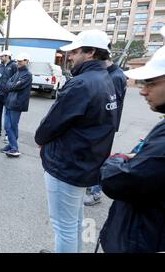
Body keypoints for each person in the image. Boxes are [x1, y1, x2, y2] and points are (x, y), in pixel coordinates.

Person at [34, 29, 118, 253]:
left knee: (64, 226)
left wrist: (40, 139)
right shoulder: (104, 79)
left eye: (75, 51)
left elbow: (53, 122)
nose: (70, 56)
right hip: (84, 163)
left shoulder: (82, 83)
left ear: (90, 52)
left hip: (68, 165)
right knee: (74, 222)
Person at [99, 45, 165, 253]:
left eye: (151, 83)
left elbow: (118, 180)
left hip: (140, 240)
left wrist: (116, 159)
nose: (143, 90)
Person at [84, 56, 127, 206]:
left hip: (105, 125)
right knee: (94, 156)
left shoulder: (115, 76)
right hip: (103, 125)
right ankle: (91, 186)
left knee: (98, 158)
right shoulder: (112, 74)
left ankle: (96, 192)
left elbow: (109, 104)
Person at [0, 53, 32, 157]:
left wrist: (12, 85)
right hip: (9, 102)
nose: (19, 63)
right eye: (18, 61)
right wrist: (12, 85)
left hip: (17, 104)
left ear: (26, 62)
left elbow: (14, 86)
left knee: (12, 126)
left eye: (21, 61)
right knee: (7, 126)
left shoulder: (27, 74)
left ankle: (14, 148)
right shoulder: (18, 72)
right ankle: (11, 145)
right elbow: (8, 84)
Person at [0, 50, 17, 138]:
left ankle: (7, 134)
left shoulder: (14, 66)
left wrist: (10, 90)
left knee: (7, 115)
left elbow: (15, 80)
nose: (0, 58)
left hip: (8, 95)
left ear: (7, 56)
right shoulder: (0, 66)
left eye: (2, 56)